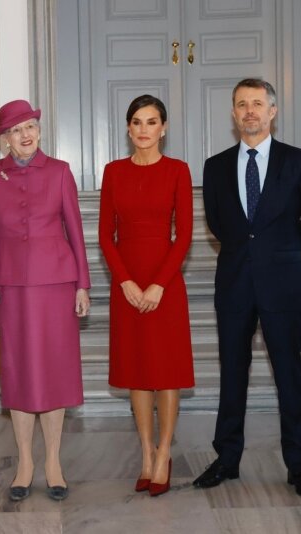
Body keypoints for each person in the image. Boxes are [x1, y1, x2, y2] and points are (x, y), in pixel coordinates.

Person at [194, 79, 301, 499]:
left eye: (256, 104)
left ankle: (299, 466)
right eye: (241, 105)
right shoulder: (215, 166)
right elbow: (218, 224)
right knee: (232, 373)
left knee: (289, 375)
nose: (249, 111)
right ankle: (227, 459)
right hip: (233, 284)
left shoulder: (299, 161)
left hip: (282, 284)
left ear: (272, 111)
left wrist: (283, 250)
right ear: (233, 115)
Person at [0, 100, 91, 502]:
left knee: (55, 373)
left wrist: (82, 285)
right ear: (5, 138)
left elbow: (75, 231)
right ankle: (25, 462)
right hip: (12, 289)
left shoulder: (60, 172)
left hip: (57, 285)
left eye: (31, 127)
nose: (26, 135)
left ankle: (53, 462)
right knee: (19, 373)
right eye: (17, 130)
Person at [98, 95, 194, 497]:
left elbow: (184, 234)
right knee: (137, 370)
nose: (143, 129)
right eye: (136, 122)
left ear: (164, 128)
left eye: (151, 122)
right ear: (127, 127)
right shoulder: (114, 172)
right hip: (127, 284)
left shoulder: (178, 171)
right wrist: (125, 282)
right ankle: (145, 452)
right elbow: (106, 234)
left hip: (165, 283)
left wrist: (158, 284)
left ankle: (165, 452)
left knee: (165, 371)